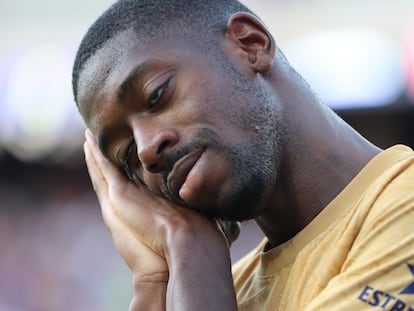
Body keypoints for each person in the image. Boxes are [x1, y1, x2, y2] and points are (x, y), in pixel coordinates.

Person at [72, 0, 414, 310]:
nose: (146, 150)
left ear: (251, 45)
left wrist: (190, 250)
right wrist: (155, 281)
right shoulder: (214, 290)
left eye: (156, 95)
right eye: (126, 154)